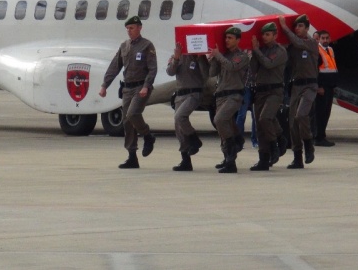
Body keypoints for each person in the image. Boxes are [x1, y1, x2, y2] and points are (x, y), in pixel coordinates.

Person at [99, 16, 158, 169]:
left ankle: (147, 135)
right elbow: (115, 66)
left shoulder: (147, 45)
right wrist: (105, 84)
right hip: (127, 88)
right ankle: (132, 156)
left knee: (133, 114)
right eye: (127, 28)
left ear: (139, 28)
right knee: (126, 121)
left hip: (141, 87)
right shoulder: (124, 46)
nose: (129, 31)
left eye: (132, 28)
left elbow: (152, 69)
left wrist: (146, 86)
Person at [279, 14, 319, 169]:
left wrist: (284, 28)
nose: (297, 29)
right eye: (295, 26)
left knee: (301, 114)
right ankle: (297, 157)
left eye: (301, 26)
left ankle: (309, 143)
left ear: (307, 28)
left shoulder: (311, 43)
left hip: (310, 85)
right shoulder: (293, 46)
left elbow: (297, 41)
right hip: (296, 85)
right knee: (293, 122)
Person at [208, 27, 249, 173]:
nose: (227, 40)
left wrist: (218, 55)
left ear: (238, 40)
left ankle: (233, 151)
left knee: (220, 120)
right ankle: (228, 158)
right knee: (224, 127)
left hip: (234, 94)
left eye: (230, 38)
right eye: (226, 38)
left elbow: (232, 67)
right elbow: (212, 73)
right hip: (221, 95)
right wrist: (213, 59)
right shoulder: (222, 56)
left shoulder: (242, 56)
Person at [249, 22, 288, 171]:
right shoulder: (261, 50)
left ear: (275, 35)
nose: (265, 37)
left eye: (268, 34)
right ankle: (263, 160)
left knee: (265, 118)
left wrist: (257, 51)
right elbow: (253, 69)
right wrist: (253, 53)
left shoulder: (280, 51)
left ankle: (276, 143)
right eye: (263, 34)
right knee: (260, 127)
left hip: (275, 91)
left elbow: (269, 64)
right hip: (260, 91)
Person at [166, 42, 210, 171]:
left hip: (194, 93)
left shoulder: (197, 56)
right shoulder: (177, 56)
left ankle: (194, 139)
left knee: (180, 116)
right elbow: (170, 72)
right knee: (178, 127)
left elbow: (205, 74)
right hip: (180, 94)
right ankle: (185, 159)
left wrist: (199, 58)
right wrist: (176, 58)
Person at [314, 30, 338, 147]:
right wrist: (319, 86)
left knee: (326, 112)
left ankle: (322, 135)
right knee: (321, 113)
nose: (325, 40)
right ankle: (319, 137)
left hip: (329, 86)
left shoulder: (330, 50)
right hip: (322, 87)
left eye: (327, 38)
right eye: (322, 38)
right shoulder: (317, 51)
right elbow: (315, 70)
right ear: (318, 39)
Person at [235, 66, 258, 149]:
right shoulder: (243, 55)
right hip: (245, 87)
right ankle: (238, 140)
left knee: (255, 115)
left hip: (256, 86)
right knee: (242, 114)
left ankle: (255, 140)